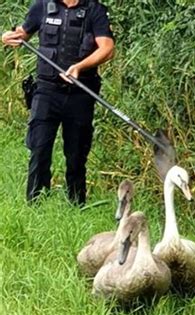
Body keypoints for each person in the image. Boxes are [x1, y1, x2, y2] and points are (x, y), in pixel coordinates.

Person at [1, 0, 114, 206]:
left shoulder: (94, 10)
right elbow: (22, 34)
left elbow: (107, 48)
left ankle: (76, 205)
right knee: (39, 149)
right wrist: (9, 37)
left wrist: (79, 67)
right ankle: (35, 205)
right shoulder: (42, 6)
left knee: (77, 154)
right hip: (46, 91)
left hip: (80, 93)